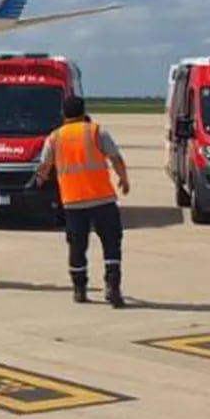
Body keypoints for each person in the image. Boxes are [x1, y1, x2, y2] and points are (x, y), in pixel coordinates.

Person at [35, 96, 131, 308]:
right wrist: (123, 178)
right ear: (83, 111)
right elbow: (116, 158)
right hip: (102, 199)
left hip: (73, 201)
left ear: (64, 114)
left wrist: (39, 180)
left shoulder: (54, 137)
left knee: (77, 247)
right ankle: (112, 286)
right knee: (112, 244)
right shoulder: (97, 131)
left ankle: (80, 288)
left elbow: (44, 165)